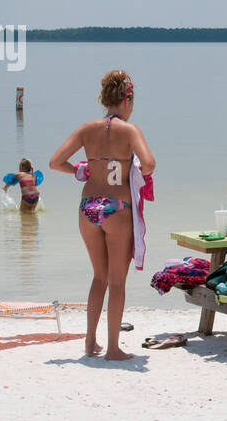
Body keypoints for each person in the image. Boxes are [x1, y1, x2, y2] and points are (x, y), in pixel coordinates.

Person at [50, 70, 155, 360]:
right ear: (127, 99)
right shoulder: (130, 130)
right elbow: (149, 164)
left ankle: (89, 342)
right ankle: (112, 348)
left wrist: (81, 170)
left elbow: (55, 162)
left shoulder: (86, 128)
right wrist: (130, 170)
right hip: (116, 208)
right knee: (117, 281)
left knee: (99, 277)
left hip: (88, 208)